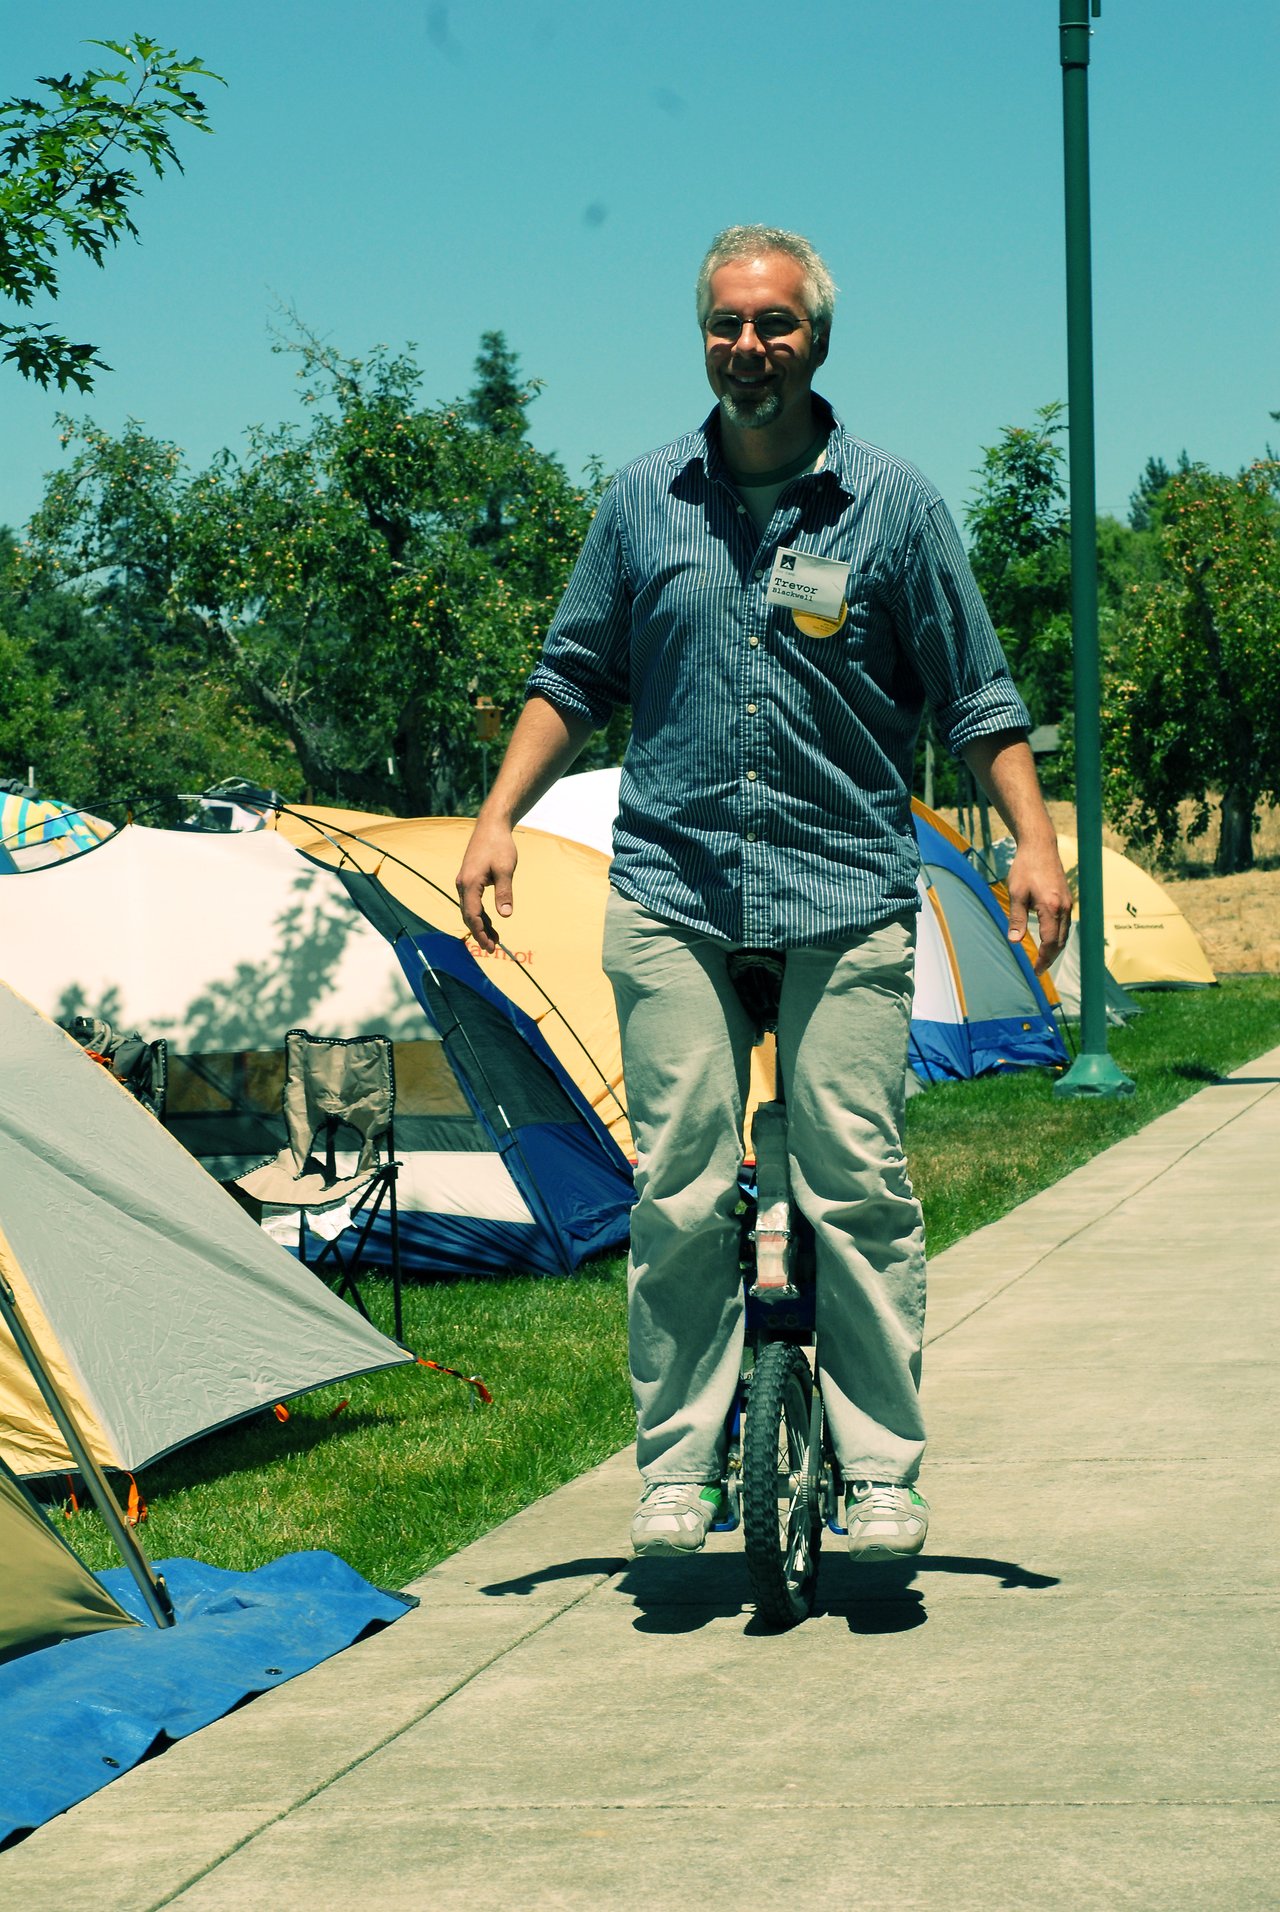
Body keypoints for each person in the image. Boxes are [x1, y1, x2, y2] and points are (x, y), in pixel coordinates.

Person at [456, 225, 1072, 1564]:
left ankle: (878, 1478)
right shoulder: (642, 502)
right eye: (729, 325)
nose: (751, 347)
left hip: (844, 885)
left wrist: (1035, 842)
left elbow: (977, 696)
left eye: (776, 324)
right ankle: (678, 1472)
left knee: (858, 1186)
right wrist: (497, 816)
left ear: (819, 340)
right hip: (675, 887)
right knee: (678, 1186)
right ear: (704, 341)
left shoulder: (896, 507)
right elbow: (572, 678)